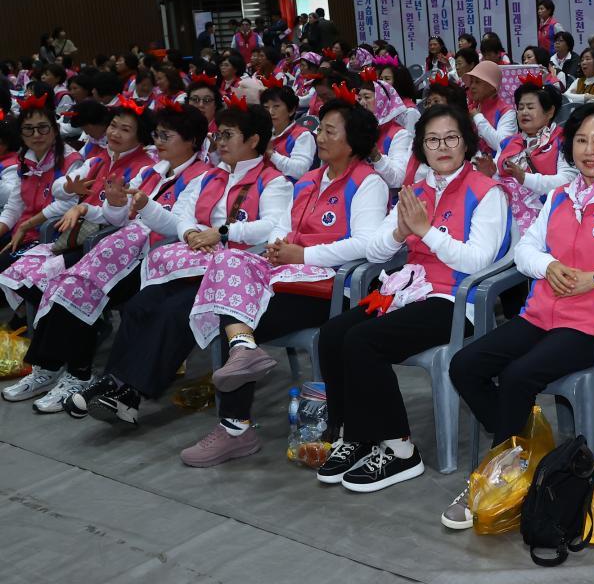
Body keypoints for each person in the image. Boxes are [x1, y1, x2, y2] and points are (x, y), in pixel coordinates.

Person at [444, 101, 594, 529]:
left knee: (517, 377)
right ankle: (522, 449)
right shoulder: (560, 196)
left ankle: (497, 479)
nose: (590, 149)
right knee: (466, 365)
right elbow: (526, 249)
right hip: (540, 313)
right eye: (581, 140)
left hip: (592, 323)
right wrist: (547, 266)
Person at [181, 97, 388, 467]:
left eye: (329, 131)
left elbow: (366, 245)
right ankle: (244, 355)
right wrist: (278, 245)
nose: (319, 137)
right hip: (284, 275)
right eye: (319, 129)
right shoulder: (308, 180)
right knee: (228, 262)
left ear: (353, 139)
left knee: (237, 316)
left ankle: (234, 427)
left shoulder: (367, 183)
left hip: (328, 287)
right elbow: (283, 228)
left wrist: (302, 255)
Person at [314, 103, 510, 492]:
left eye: (451, 138)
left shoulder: (488, 192)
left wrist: (427, 231)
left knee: (364, 341)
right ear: (421, 145)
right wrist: (400, 233)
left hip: (455, 300)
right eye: (432, 139)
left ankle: (401, 451)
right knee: (333, 334)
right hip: (406, 291)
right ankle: (356, 434)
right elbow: (375, 252)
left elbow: (477, 261)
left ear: (467, 143)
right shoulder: (415, 191)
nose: (442, 146)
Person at [79, 102, 291, 427]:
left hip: (236, 276)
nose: (219, 141)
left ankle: (126, 391)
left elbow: (274, 227)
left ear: (253, 140)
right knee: (140, 305)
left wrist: (221, 233)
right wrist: (158, 213)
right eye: (218, 134)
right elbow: (181, 215)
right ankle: (118, 386)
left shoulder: (274, 181)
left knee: (174, 313)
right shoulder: (210, 177)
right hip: (194, 265)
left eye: (228, 134)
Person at [5, 103, 210, 411]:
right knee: (66, 285)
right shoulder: (150, 171)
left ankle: (79, 374)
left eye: (167, 135)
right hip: (122, 246)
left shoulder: (201, 176)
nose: (160, 141)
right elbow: (119, 218)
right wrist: (113, 204)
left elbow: (178, 225)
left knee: (85, 290)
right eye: (158, 134)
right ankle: (47, 369)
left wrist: (140, 209)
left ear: (192, 140)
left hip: (155, 258)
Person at [475, 77, 575, 234]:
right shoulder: (509, 142)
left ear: (550, 112)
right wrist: (491, 173)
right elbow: (501, 179)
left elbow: (567, 181)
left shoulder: (562, 140)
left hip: (546, 214)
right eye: (520, 108)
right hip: (505, 210)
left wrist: (525, 178)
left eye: (530, 107)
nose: (524, 112)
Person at [0, 90, 82, 268]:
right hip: (23, 231)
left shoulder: (71, 161)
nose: (36, 135)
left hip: (52, 236)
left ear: (55, 130)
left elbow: (68, 204)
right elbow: (15, 205)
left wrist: (26, 225)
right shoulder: (26, 159)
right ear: (21, 134)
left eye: (43, 127)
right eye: (28, 129)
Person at [260, 83, 315, 181]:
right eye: (266, 108)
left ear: (291, 110)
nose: (270, 112)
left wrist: (271, 154)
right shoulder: (264, 132)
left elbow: (301, 171)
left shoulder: (303, 135)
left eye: (276, 106)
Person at [464, 60, 517, 155]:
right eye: (471, 82)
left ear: (493, 86)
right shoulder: (471, 108)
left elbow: (501, 144)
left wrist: (477, 118)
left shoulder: (507, 111)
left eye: (477, 82)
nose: (472, 86)